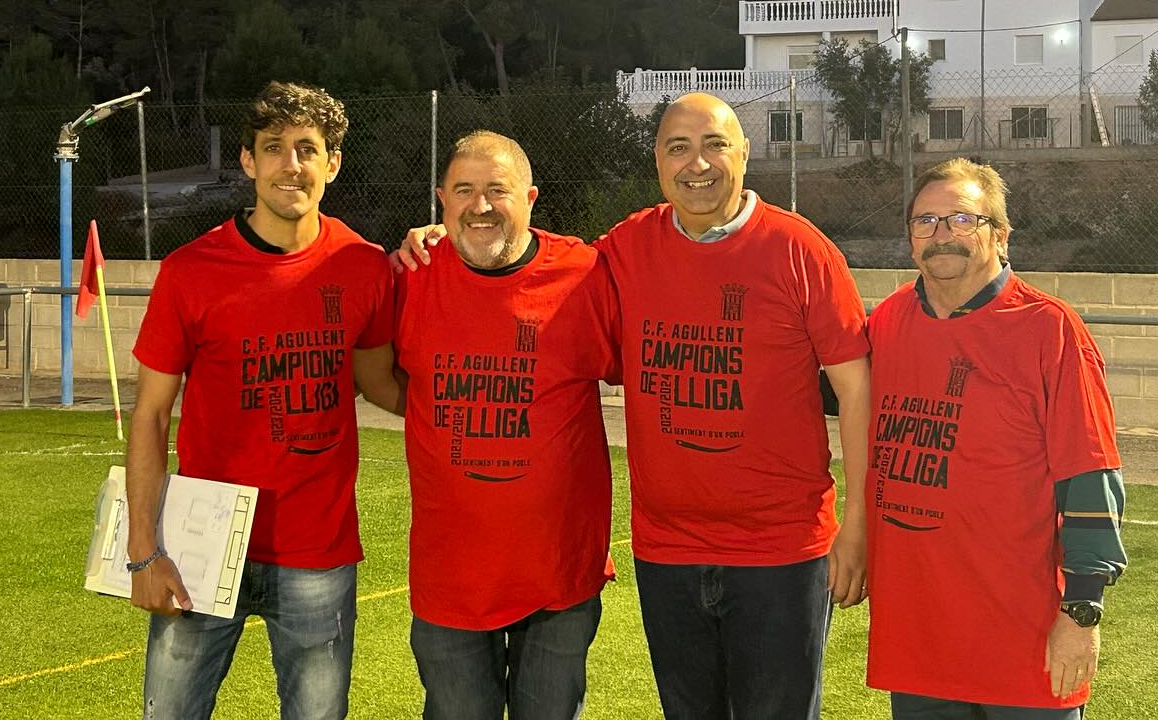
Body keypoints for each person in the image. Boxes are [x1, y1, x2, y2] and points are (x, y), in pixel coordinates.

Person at [398, 94, 871, 720]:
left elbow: (857, 387)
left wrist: (860, 522)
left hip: (780, 551)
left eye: (714, 145)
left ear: (745, 154)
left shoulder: (798, 248)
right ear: (657, 160)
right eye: (678, 147)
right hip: (666, 550)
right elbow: (527, 265)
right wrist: (441, 233)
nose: (696, 163)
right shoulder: (622, 250)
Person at [126, 81, 401, 720]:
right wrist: (144, 551)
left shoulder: (363, 266)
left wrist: (467, 406)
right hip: (201, 539)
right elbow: (150, 415)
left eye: (308, 148)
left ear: (333, 162)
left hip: (317, 546)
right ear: (248, 161)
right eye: (273, 147)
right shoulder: (191, 270)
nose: (291, 164)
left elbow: (382, 383)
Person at [864, 157, 1127, 719]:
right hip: (918, 637)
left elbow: (1091, 475)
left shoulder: (1049, 329)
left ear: (1001, 236)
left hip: (1022, 640)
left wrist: (1082, 612)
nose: (941, 236)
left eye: (962, 220)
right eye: (925, 222)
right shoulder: (886, 323)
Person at [394, 131, 620, 720]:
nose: (481, 205)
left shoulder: (584, 273)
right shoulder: (410, 275)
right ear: (441, 199)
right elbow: (380, 377)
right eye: (464, 190)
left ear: (531, 197)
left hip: (559, 577)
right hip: (450, 579)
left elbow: (642, 373)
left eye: (498, 190)